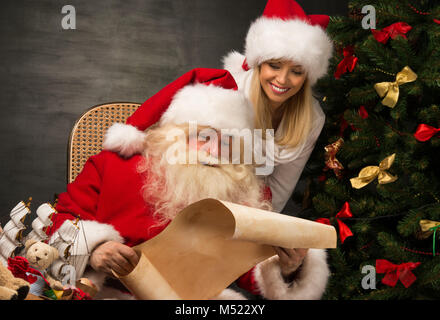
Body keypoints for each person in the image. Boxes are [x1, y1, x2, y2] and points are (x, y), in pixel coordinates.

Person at [46, 68, 330, 299]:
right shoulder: (111, 165)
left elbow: (249, 270)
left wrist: (288, 267)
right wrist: (94, 250)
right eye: (203, 136)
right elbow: (60, 220)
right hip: (107, 291)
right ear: (174, 133)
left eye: (228, 142)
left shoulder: (246, 191)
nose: (214, 151)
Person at [222, 0, 333, 212]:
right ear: (260, 63)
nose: (282, 80)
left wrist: (257, 228)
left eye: (297, 71)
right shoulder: (229, 91)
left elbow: (280, 188)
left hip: (253, 209)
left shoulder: (313, 119)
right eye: (274, 66)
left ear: (307, 76)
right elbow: (199, 170)